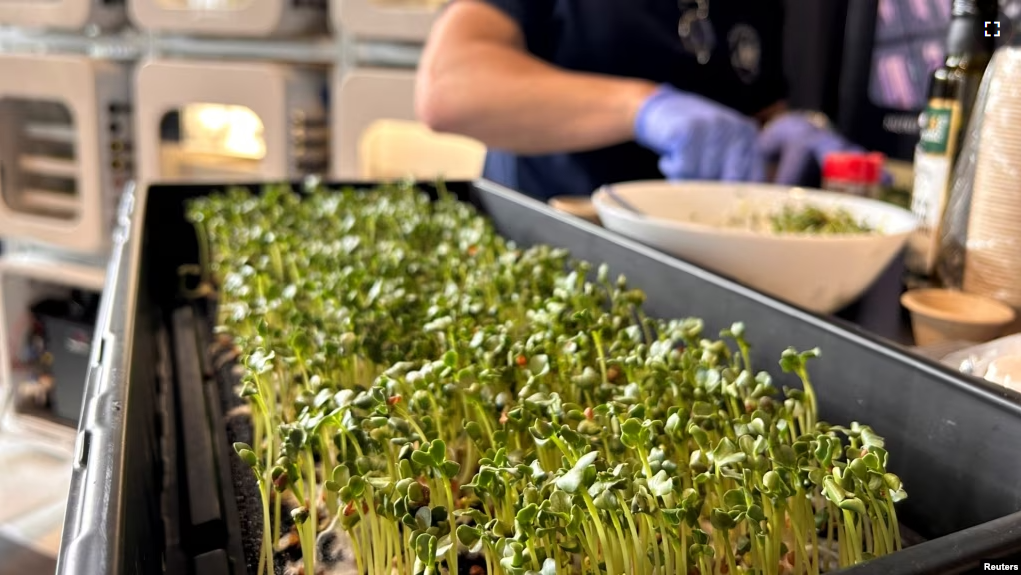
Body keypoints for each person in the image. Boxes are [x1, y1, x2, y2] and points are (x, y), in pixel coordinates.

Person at [415, 0, 863, 201]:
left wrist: (779, 136)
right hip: (554, 239)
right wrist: (642, 109)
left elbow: (757, 112)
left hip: (695, 264)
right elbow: (448, 88)